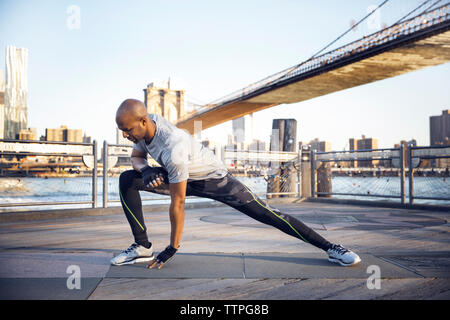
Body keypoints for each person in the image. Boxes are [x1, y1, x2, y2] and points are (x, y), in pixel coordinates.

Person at [111, 99, 361, 269]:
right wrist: (144, 171)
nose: (125, 135)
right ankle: (142, 246)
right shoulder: (145, 127)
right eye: (122, 130)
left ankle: (331, 248)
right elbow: (136, 158)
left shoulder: (172, 146)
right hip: (182, 175)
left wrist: (172, 248)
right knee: (127, 180)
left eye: (127, 129)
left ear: (143, 121)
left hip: (216, 181)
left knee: (268, 215)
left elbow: (178, 203)